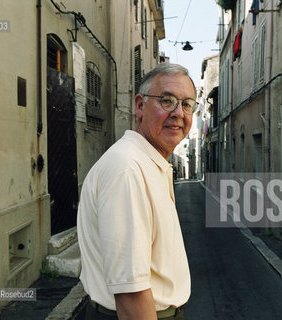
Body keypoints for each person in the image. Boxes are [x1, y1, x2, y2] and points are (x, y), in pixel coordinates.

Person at [77, 63, 197, 320]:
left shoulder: (148, 162)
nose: (179, 113)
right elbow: (131, 294)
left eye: (187, 104)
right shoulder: (129, 169)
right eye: (167, 101)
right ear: (140, 106)